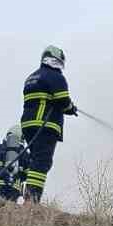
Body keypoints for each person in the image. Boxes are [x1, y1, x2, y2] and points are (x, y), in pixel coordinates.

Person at [19, 45, 78, 202]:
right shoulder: (55, 76)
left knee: (35, 159)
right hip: (45, 125)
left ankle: (29, 197)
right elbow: (63, 100)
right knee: (42, 161)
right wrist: (71, 108)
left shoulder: (32, 77)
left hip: (28, 125)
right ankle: (32, 199)